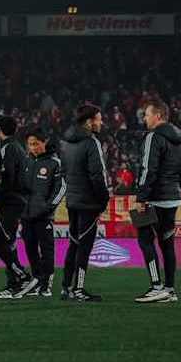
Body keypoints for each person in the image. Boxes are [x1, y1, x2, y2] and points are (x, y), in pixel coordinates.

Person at [133, 100, 181, 304]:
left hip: (153, 199)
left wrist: (141, 197)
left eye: (147, 114)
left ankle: (156, 287)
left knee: (144, 238)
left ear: (158, 116)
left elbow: (149, 169)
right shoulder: (180, 140)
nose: (144, 118)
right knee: (167, 243)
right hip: (172, 199)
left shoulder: (153, 137)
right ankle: (170, 289)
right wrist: (173, 189)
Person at [60, 104, 109, 302]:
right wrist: (103, 198)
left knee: (73, 243)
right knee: (84, 246)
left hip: (72, 200)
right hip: (89, 202)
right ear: (89, 122)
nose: (101, 122)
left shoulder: (66, 142)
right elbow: (97, 175)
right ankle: (79, 288)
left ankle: (65, 287)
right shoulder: (91, 143)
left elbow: (64, 171)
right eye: (98, 119)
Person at [0, 116, 38, 299]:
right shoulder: (18, 148)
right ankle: (13, 284)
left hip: (8, 201)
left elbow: (7, 175)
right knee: (8, 242)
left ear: (0, 129)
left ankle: (22, 276)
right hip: (18, 200)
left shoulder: (6, 148)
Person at [21, 129, 65, 297]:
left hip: (44, 215)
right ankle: (37, 280)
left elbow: (61, 188)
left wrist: (48, 208)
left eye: (35, 144)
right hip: (26, 214)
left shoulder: (55, 163)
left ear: (44, 142)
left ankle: (46, 284)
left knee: (47, 250)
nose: (32, 147)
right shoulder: (27, 162)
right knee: (30, 248)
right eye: (30, 144)